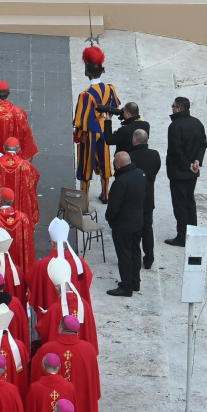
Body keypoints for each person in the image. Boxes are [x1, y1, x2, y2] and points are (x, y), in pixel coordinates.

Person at [72, 46, 120, 202]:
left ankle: (84, 198)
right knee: (104, 162)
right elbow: (115, 106)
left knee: (86, 163)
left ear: (88, 73)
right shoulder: (110, 89)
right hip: (104, 129)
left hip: (90, 132)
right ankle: (105, 194)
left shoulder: (85, 94)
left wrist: (79, 135)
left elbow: (81, 119)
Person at [165, 96, 207, 246]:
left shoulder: (175, 126)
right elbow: (203, 144)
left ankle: (182, 236)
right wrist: (197, 161)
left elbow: (175, 150)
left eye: (173, 105)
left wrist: (187, 165)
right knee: (190, 202)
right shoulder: (197, 123)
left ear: (179, 109)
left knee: (180, 204)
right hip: (192, 171)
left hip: (179, 171)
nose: (172, 107)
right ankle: (193, 235)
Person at [105, 151, 146, 296]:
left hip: (123, 225)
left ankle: (126, 286)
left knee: (124, 255)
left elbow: (114, 206)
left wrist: (109, 218)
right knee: (135, 251)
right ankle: (135, 282)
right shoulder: (141, 174)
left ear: (118, 164)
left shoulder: (121, 182)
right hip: (137, 221)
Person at [123, 129, 160, 269]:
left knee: (134, 231)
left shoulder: (130, 156)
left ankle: (135, 259)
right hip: (149, 196)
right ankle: (149, 258)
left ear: (135, 140)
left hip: (134, 199)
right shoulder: (155, 155)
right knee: (147, 228)